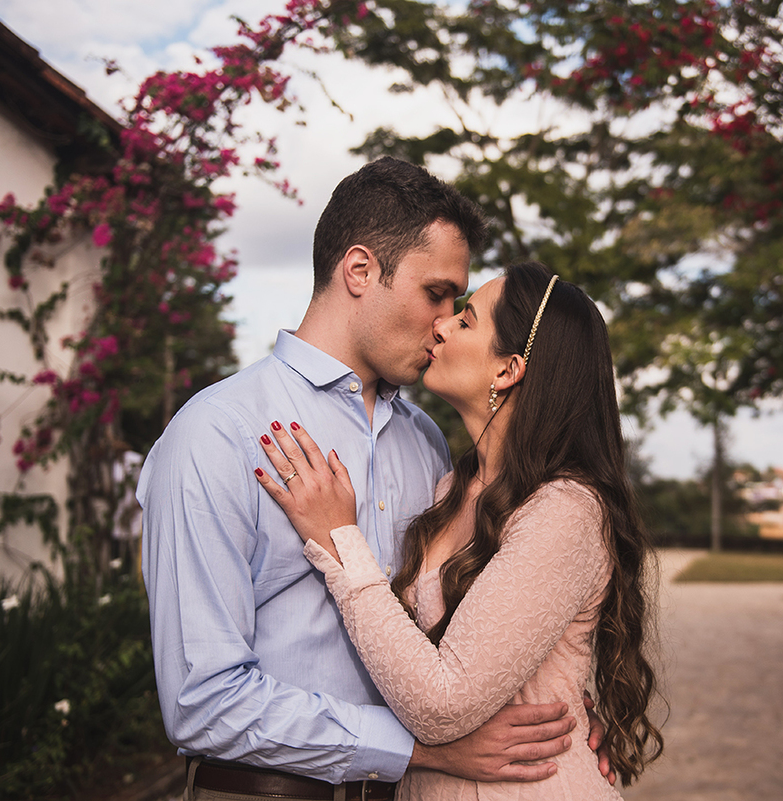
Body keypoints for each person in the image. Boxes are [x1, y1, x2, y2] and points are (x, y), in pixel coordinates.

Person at [138, 159, 600, 801]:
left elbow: (485, 623)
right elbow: (201, 701)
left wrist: (567, 703)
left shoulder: (428, 444)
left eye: (458, 307)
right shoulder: (220, 433)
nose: (444, 322)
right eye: (436, 293)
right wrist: (417, 748)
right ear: (359, 271)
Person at [253, 261, 665, 799]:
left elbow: (443, 705)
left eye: (467, 320)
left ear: (508, 370)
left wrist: (339, 540)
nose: (442, 325)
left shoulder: (566, 510)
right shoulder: (452, 488)